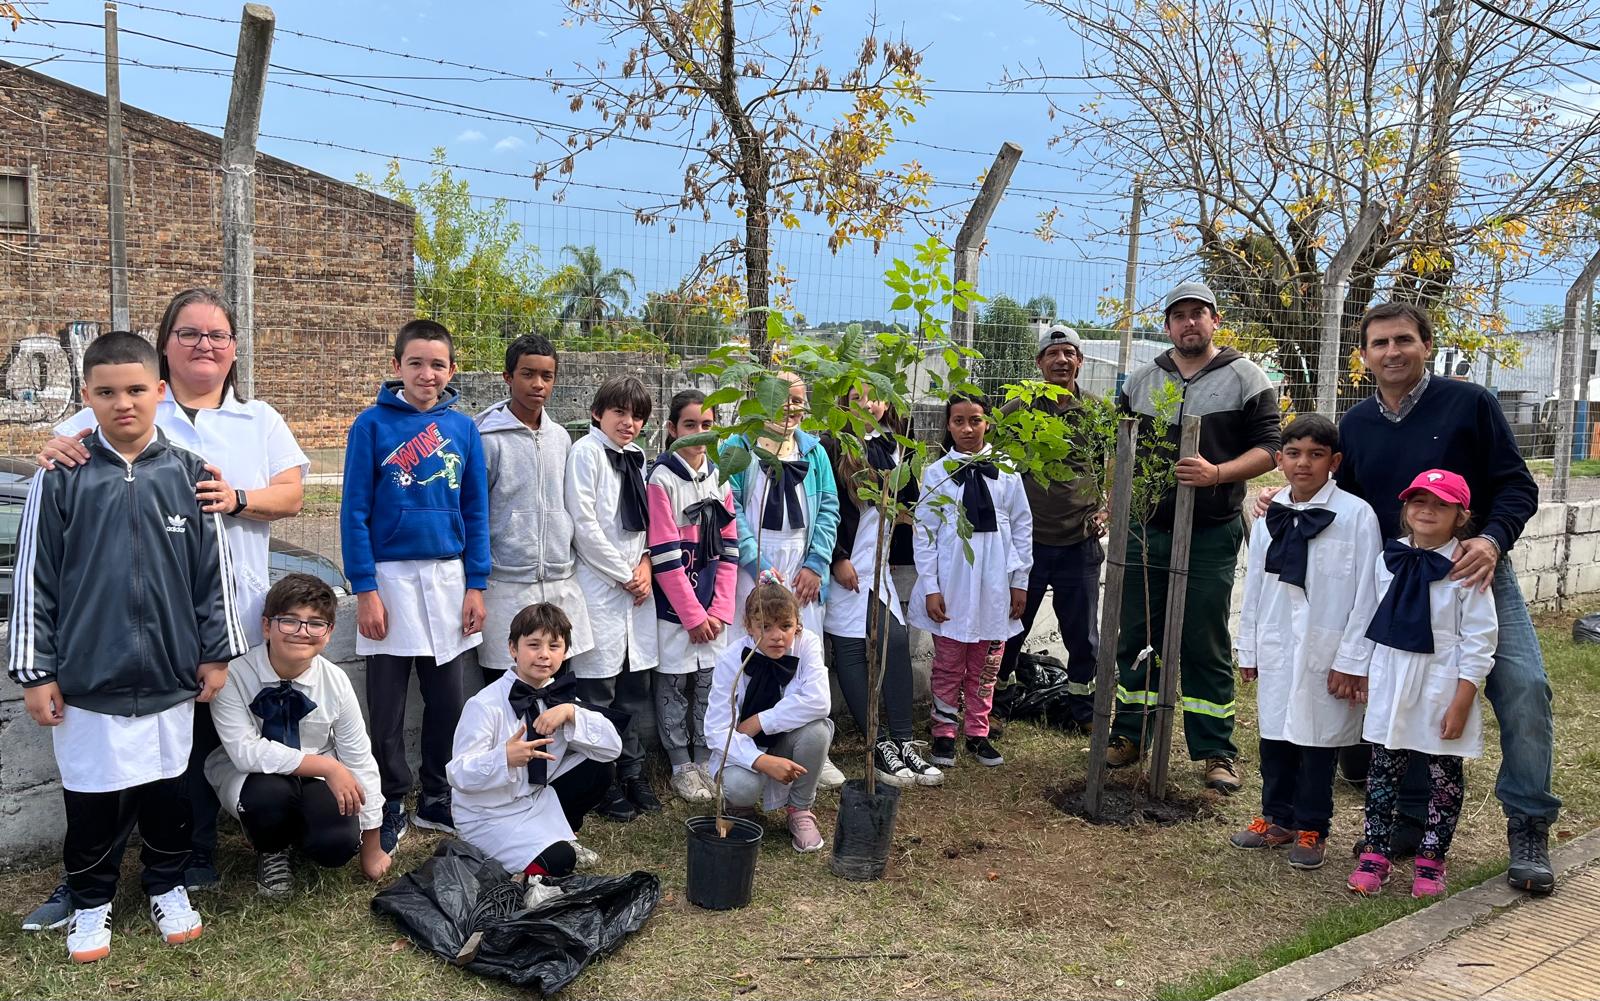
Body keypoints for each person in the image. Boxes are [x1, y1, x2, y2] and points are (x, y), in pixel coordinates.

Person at [1256, 301, 1557, 895]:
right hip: (1394, 581)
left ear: (1426, 345)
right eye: (1379, 343)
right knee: (1401, 696)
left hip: (1471, 572)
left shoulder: (1470, 403)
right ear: (1364, 356)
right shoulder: (1357, 424)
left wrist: (1492, 540)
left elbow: (1517, 486)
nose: (1392, 352)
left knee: (1524, 688)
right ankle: (1401, 824)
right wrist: (1280, 500)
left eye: (1403, 340)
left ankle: (1529, 825)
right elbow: (1338, 499)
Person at [26, 288, 308, 920]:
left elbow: (291, 497)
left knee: (186, 753)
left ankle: (185, 865)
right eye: (189, 333)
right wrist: (50, 447)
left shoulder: (257, 418)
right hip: (117, 633)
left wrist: (235, 499)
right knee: (112, 763)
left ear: (234, 347)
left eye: (218, 335)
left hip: (220, 619)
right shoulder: (129, 401)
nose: (205, 344)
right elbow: (61, 453)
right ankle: (86, 884)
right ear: (163, 347)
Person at [9, 330, 246, 963]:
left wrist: (216, 653)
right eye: (107, 392)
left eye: (136, 389)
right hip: (89, 676)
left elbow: (213, 575)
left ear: (159, 391)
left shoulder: (190, 475)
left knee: (168, 791)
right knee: (93, 796)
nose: (123, 403)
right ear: (86, 396)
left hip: (170, 672)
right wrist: (36, 672)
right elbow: (35, 578)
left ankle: (167, 885)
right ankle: (91, 901)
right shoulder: (62, 477)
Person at [1108, 280, 1281, 793]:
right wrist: (1112, 504)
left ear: (1214, 321)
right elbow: (1119, 450)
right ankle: (1130, 734)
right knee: (1137, 636)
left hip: (1211, 532)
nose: (1189, 323)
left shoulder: (1246, 378)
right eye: (1179, 315)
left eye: (1198, 313)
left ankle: (1215, 750)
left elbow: (1271, 447)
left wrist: (1218, 473)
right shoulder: (1142, 381)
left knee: (1204, 639)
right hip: (1146, 531)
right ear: (1167, 326)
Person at [340, 319, 490, 854]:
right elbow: (354, 512)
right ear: (397, 366)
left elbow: (476, 509)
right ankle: (391, 800)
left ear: (453, 370)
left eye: (438, 364)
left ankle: (437, 794)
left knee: (447, 699)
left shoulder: (464, 430)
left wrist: (476, 584)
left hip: (448, 580)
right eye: (416, 363)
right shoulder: (371, 425)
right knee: (386, 706)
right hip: (390, 582)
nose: (428, 374)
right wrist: (365, 589)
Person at [1231, 415, 1381, 870]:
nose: (1303, 464)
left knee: (1318, 739)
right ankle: (1277, 816)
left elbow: (1367, 594)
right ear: (1279, 459)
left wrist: (1353, 659)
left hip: (1328, 648)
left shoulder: (1356, 516)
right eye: (1294, 454)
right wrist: (1249, 647)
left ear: (1334, 462)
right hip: (1278, 642)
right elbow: (1255, 588)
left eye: (1316, 455)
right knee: (1275, 734)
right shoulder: (1269, 517)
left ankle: (1314, 825)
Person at [1346, 470, 1496, 899]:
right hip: (1392, 678)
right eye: (1418, 501)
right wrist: (1362, 670)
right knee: (1382, 770)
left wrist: (1462, 699)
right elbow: (1367, 616)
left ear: (1460, 516)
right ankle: (1375, 853)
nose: (1427, 510)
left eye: (1440, 504)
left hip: (1441, 683)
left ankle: (1432, 858)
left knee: (1443, 775)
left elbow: (1480, 637)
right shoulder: (1386, 559)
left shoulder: (1465, 567)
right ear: (1405, 508)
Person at [206, 574, 389, 899]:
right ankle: (271, 849)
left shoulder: (335, 681)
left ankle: (303, 834)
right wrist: (329, 766)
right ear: (267, 626)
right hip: (255, 779)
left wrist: (372, 845)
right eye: (289, 621)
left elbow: (359, 757)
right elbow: (245, 752)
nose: (302, 632)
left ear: (329, 633)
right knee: (268, 797)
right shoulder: (233, 675)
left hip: (316, 780)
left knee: (337, 845)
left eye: (316, 624)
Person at [723, 370, 843, 788]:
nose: (791, 408)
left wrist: (816, 563)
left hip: (802, 569)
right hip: (756, 567)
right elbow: (731, 509)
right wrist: (757, 565)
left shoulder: (815, 451)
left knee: (803, 653)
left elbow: (829, 508)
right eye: (783, 398)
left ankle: (808, 745)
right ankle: (743, 744)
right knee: (754, 652)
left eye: (798, 399)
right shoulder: (739, 448)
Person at [823, 386, 943, 787]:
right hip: (845, 567)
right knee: (851, 649)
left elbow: (909, 506)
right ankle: (877, 745)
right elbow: (825, 509)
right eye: (856, 397)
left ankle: (904, 741)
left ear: (888, 402)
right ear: (844, 402)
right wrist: (837, 558)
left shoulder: (899, 446)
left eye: (875, 396)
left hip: (878, 567)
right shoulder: (833, 446)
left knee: (896, 641)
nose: (867, 404)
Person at [448, 603, 621, 878]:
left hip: (536, 799)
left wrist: (571, 712)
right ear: (513, 648)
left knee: (600, 766)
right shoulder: (484, 705)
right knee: (560, 861)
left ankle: (563, 833)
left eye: (554, 646)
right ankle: (521, 864)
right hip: (489, 815)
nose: (544, 655)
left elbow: (612, 748)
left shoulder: (560, 698)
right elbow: (458, 775)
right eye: (533, 645)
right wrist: (504, 757)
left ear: (565, 652)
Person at [908, 392, 1033, 770]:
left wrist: (1020, 581)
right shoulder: (936, 474)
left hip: (995, 587)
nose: (967, 428)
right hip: (953, 586)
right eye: (958, 421)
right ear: (948, 425)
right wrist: (931, 588)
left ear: (987, 423)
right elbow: (924, 535)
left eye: (975, 420)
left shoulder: (1007, 471)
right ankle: (944, 732)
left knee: (986, 664)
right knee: (948, 663)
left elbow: (1023, 526)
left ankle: (978, 731)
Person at [999, 324, 1108, 733]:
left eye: (1069, 353)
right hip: (1027, 545)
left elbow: (1118, 464)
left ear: (1080, 361)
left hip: (1080, 541)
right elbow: (994, 468)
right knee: (1011, 627)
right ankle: (998, 702)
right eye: (1053, 354)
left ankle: (1085, 711)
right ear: (1039, 363)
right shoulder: (1016, 411)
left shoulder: (1097, 412)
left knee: (1083, 636)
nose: (1062, 361)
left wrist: (1107, 509)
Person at [565, 375, 661, 822]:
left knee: (634, 688)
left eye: (637, 416)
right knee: (597, 691)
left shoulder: (637, 458)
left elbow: (646, 525)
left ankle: (632, 771)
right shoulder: (585, 454)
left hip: (635, 589)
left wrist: (645, 563)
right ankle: (600, 781)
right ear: (597, 413)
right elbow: (584, 526)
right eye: (619, 412)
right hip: (600, 588)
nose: (629, 423)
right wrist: (625, 574)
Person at [476, 334, 593, 684]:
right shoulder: (485, 439)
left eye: (547, 375)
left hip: (559, 583)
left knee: (556, 686)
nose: (538, 384)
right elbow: (475, 513)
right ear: (508, 377)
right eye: (527, 374)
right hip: (506, 585)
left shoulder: (561, 437)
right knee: (505, 687)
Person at [646, 390, 739, 803]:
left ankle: (704, 757)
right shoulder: (661, 479)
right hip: (676, 610)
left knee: (710, 683)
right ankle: (680, 763)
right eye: (690, 425)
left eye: (707, 425)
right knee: (672, 683)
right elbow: (665, 555)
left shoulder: (721, 477)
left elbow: (730, 549)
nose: (699, 434)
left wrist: (719, 609)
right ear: (672, 429)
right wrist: (692, 615)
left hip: (712, 609)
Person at [704, 575, 834, 853]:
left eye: (786, 626)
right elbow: (716, 730)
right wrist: (761, 760)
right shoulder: (730, 659)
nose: (777, 635)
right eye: (765, 627)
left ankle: (800, 809)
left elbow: (820, 701)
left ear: (798, 624)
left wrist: (760, 721)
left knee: (818, 730)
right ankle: (739, 808)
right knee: (742, 785)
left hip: (785, 741)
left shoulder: (807, 644)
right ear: (748, 626)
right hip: (743, 751)